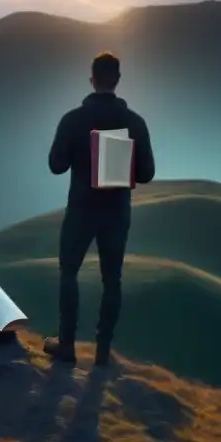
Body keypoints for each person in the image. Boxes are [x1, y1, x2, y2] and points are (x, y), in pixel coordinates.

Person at [43, 51, 155, 366]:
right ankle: (103, 352)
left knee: (68, 272)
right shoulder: (135, 122)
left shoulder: (73, 119)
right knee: (112, 280)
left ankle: (66, 345)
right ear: (117, 80)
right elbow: (147, 174)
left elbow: (55, 165)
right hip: (117, 211)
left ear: (91, 79)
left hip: (81, 208)